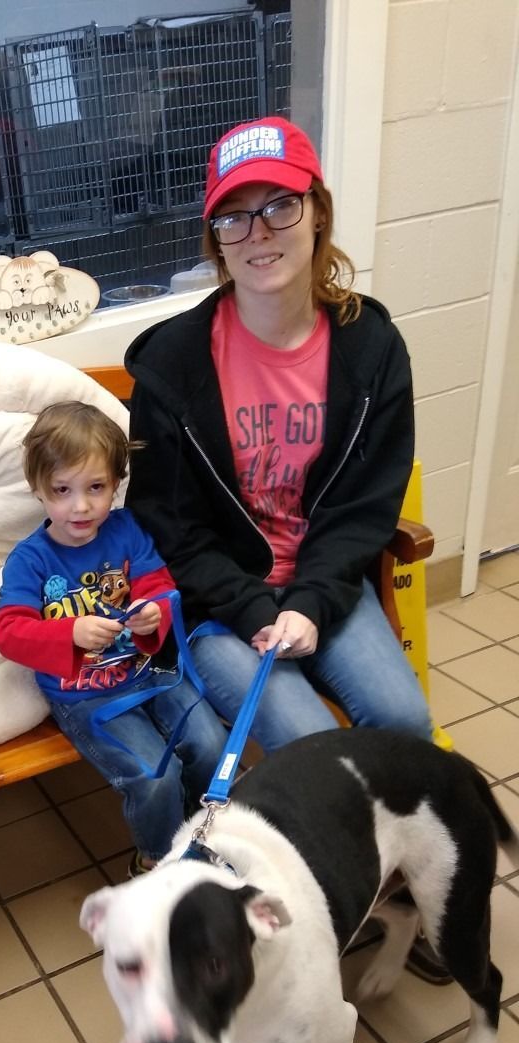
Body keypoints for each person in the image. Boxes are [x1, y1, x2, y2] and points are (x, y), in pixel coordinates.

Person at [124, 117, 443, 978]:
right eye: (235, 217)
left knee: (406, 721)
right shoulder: (173, 365)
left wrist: (311, 601)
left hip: (328, 587)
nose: (258, 234)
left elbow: (368, 506)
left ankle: (409, 885)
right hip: (224, 606)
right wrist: (257, 606)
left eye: (279, 208)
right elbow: (168, 526)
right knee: (305, 742)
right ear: (214, 239)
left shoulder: (371, 347)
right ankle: (345, 892)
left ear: (318, 216)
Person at [0, 402, 228, 873]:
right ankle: (157, 862)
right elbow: (9, 632)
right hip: (83, 693)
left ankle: (206, 836)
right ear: (38, 489)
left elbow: (159, 586)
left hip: (152, 669)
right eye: (62, 490)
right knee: (153, 775)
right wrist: (71, 631)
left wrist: (151, 613)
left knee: (211, 744)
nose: (80, 506)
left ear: (116, 483)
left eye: (95, 488)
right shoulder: (30, 560)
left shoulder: (126, 529)